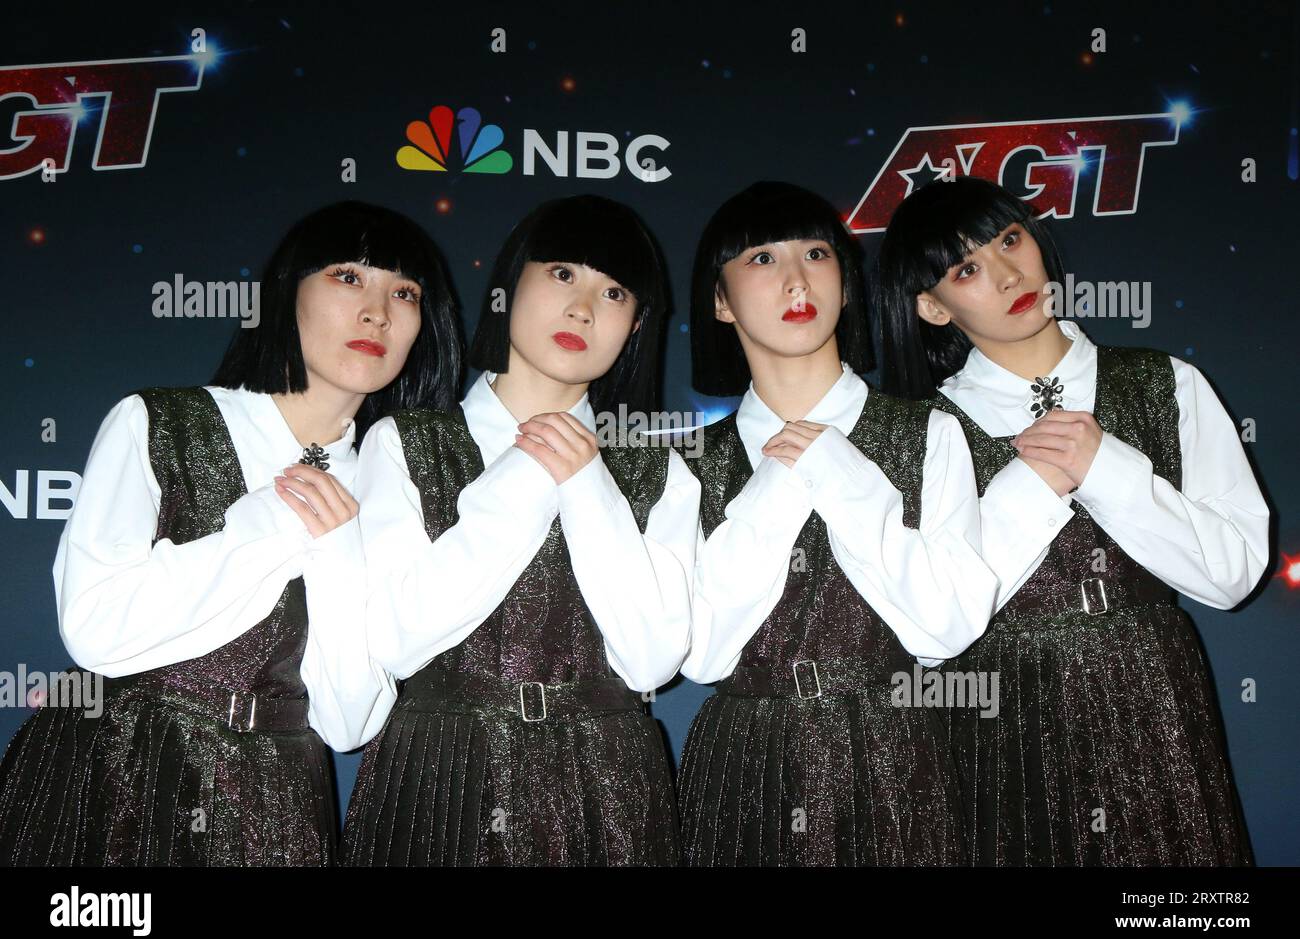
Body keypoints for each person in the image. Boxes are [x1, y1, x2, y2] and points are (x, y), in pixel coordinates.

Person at [0, 200, 463, 866]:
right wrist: (278, 522)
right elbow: (97, 626)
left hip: (276, 799)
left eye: (404, 292)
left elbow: (348, 721)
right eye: (347, 277)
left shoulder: (394, 481)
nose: (377, 312)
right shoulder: (162, 422)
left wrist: (335, 552)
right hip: (117, 772)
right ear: (288, 292)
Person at [875, 175, 1266, 865]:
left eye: (1010, 240)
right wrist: (1036, 485)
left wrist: (1107, 468)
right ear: (933, 308)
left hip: (1155, 695)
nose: (1005, 274)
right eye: (966, 269)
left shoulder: (1165, 382)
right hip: (999, 714)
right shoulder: (918, 430)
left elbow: (1231, 575)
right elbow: (927, 624)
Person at [340, 195, 699, 866]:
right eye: (562, 273)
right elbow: (395, 637)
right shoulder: (406, 443)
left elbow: (652, 659)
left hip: (609, 784)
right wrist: (528, 471)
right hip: (441, 770)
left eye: (614, 292)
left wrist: (588, 484)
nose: (583, 307)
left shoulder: (658, 470)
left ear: (638, 325)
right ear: (508, 287)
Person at [676, 181, 999, 866]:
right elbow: (700, 653)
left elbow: (946, 626)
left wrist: (842, 474)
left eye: (816, 253)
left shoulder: (927, 433)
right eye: (761, 259)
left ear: (847, 283)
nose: (796, 279)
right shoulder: (686, 463)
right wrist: (780, 486)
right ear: (720, 301)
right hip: (744, 765)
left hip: (900, 757)